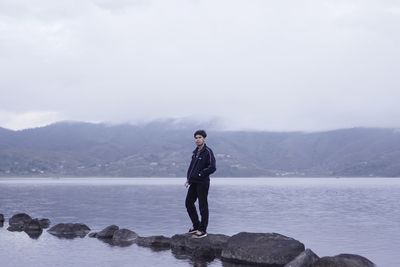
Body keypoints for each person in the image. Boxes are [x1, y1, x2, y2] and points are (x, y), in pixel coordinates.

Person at [185, 129, 216, 238]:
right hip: (193, 182)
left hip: (202, 182)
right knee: (188, 203)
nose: (197, 139)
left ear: (204, 139)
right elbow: (192, 167)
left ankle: (203, 230)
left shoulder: (208, 151)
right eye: (196, 138)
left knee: (203, 206)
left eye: (200, 137)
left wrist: (200, 174)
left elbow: (212, 167)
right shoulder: (195, 152)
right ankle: (196, 225)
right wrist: (188, 179)